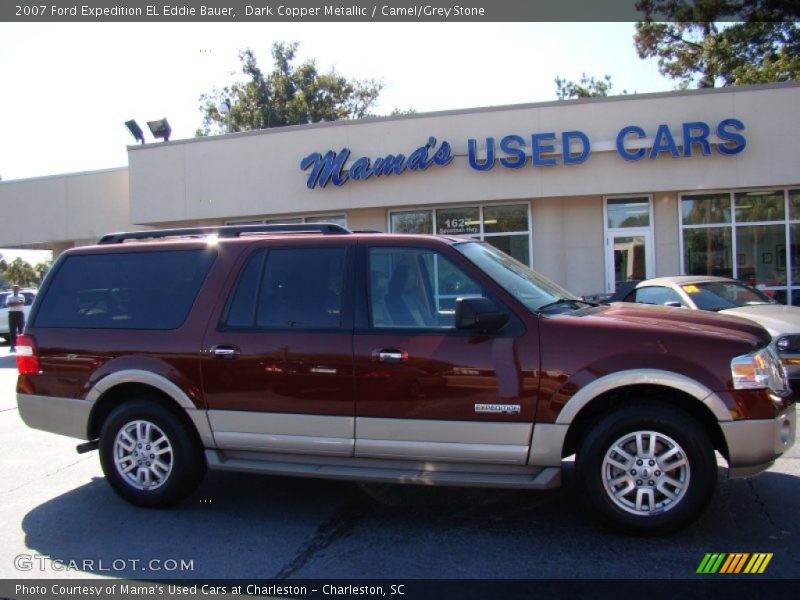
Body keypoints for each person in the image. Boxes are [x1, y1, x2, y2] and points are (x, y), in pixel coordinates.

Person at [5, 285, 25, 352]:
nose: (16, 290)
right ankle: (12, 347)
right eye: (14, 289)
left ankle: (21, 346)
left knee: (20, 331)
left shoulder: (21, 296)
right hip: (12, 314)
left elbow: (22, 303)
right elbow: (8, 304)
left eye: (17, 289)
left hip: (19, 313)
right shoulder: (9, 297)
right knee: (12, 331)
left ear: (19, 289)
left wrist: (13, 303)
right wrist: (17, 303)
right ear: (12, 289)